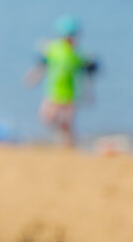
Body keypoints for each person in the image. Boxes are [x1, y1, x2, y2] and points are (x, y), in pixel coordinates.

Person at [22, 15, 98, 148]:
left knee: (67, 123)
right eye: (67, 36)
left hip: (69, 94)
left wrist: (89, 94)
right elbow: (42, 66)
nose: (70, 39)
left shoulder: (76, 54)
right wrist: (32, 78)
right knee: (46, 118)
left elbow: (87, 75)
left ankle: (70, 146)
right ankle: (61, 140)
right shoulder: (54, 49)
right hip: (53, 92)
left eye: (72, 36)